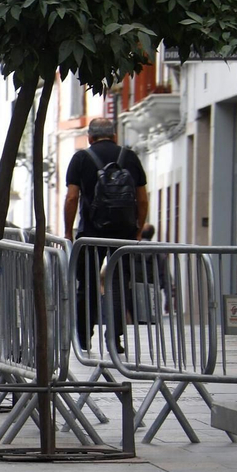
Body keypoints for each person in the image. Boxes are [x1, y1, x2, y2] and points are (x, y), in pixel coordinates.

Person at [64, 115, 148, 350]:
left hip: (90, 235)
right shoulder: (129, 157)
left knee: (87, 285)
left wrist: (68, 232)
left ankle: (83, 337)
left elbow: (72, 197)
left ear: (89, 138)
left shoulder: (81, 158)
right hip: (124, 234)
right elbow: (142, 199)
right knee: (121, 285)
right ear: (114, 136)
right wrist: (138, 230)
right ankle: (115, 338)